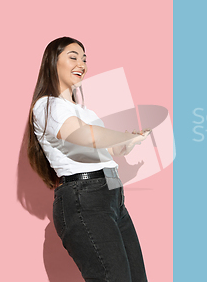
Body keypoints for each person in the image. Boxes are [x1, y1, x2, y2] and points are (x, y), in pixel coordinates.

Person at [27, 36, 150, 282]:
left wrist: (125, 143)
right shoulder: (46, 106)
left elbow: (105, 151)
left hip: (113, 197)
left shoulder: (86, 111)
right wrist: (116, 138)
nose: (81, 64)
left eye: (84, 59)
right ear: (53, 62)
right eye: (73, 57)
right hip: (84, 198)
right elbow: (83, 135)